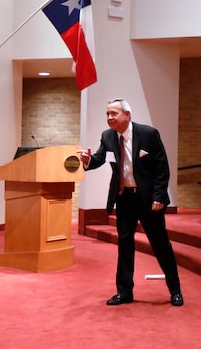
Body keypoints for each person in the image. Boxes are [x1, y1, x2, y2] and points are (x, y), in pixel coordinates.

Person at [78, 98, 184, 307]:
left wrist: (159, 196)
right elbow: (100, 158)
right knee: (124, 246)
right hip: (124, 198)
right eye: (107, 114)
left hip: (148, 200)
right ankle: (124, 292)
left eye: (114, 114)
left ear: (127, 115)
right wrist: (88, 160)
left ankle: (176, 290)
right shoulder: (108, 136)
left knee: (160, 244)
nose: (109, 118)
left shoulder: (148, 134)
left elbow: (162, 168)